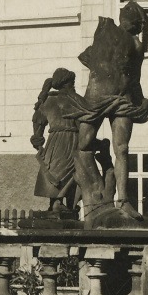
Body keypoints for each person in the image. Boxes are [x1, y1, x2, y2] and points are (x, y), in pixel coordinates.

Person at [68, 1, 148, 223]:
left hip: (123, 98)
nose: (138, 26)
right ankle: (92, 190)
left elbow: (135, 77)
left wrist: (140, 100)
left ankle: (123, 199)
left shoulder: (136, 44)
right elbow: (87, 56)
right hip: (96, 97)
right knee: (84, 143)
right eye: (139, 22)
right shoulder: (106, 31)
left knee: (122, 149)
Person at [30, 68, 84, 215]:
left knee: (57, 170)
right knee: (69, 170)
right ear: (65, 83)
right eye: (72, 82)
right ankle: (60, 204)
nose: (74, 85)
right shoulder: (75, 100)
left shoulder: (47, 101)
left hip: (55, 143)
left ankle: (57, 204)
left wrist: (38, 142)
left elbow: (38, 122)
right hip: (71, 141)